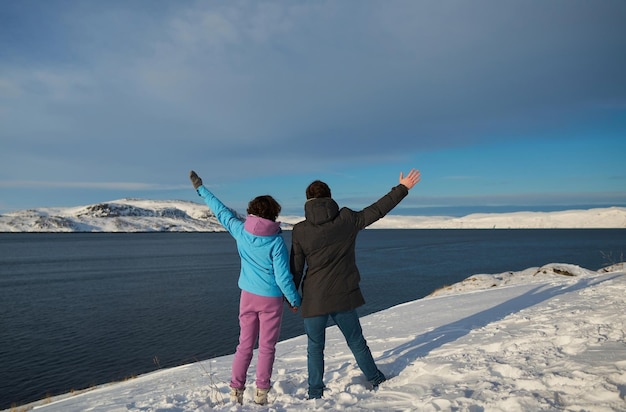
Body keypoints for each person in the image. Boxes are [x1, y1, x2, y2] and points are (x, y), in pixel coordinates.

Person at [290, 169, 421, 399]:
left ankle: (315, 392)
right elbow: (377, 210)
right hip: (343, 295)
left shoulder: (300, 230)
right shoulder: (347, 219)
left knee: (314, 348)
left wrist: (291, 297)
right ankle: (376, 379)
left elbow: (296, 268)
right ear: (330, 198)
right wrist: (402, 188)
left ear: (307, 201)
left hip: (314, 298)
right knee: (356, 342)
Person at [189, 170, 301, 406]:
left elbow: (220, 210)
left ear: (251, 211)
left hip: (248, 297)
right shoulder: (276, 241)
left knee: (244, 345)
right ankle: (261, 393)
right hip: (271, 300)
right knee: (267, 347)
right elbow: (282, 277)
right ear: (273, 214)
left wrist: (201, 188)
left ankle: (236, 390)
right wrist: (294, 300)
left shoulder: (241, 231)